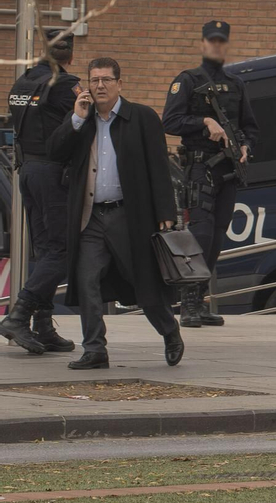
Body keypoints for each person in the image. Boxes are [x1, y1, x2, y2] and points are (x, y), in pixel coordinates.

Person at [47, 57, 184, 369]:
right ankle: (95, 349)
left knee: (143, 282)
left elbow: (160, 167)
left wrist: (166, 211)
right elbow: (54, 151)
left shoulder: (142, 118)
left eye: (106, 80)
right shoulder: (83, 120)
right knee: (87, 281)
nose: (100, 86)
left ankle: (169, 331)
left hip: (130, 216)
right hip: (92, 217)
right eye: (94, 80)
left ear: (120, 84)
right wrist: (76, 118)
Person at [163, 20, 256, 328]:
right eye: (211, 41)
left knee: (216, 238)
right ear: (203, 44)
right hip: (200, 167)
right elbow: (170, 121)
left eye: (221, 41)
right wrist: (204, 121)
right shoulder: (188, 80)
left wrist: (245, 146)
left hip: (228, 170)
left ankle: (200, 299)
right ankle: (188, 304)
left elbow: (250, 127)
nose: (216, 46)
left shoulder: (236, 84)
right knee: (200, 236)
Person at [1, 30, 80, 355]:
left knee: (47, 249)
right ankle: (18, 316)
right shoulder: (64, 84)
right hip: (52, 173)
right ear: (70, 56)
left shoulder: (22, 81)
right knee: (60, 251)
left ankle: (44, 326)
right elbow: (82, 124)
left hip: (26, 171)